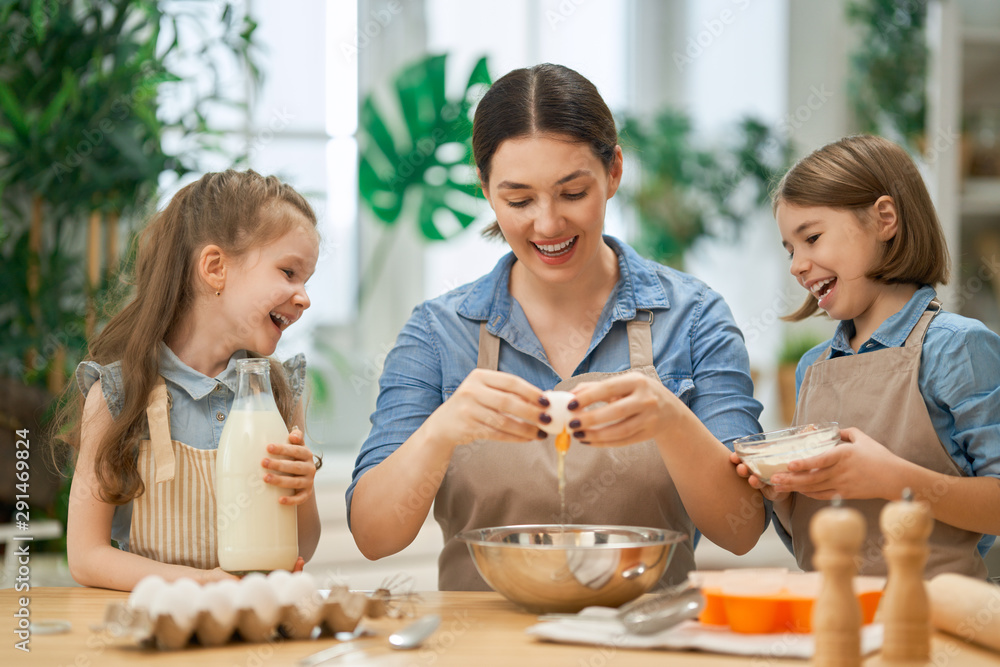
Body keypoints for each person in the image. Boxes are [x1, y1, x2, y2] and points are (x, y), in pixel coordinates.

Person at [348, 63, 768, 591]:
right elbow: (373, 535)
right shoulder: (439, 332)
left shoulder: (694, 318)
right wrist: (442, 428)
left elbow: (744, 527)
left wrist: (669, 419)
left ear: (613, 171)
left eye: (572, 193)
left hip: (648, 642)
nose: (547, 224)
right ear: (485, 189)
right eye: (519, 200)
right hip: (482, 647)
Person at [733, 134, 1000, 578]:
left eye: (812, 237)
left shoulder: (957, 347)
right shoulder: (812, 369)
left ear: (885, 219)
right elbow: (811, 538)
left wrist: (893, 479)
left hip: (933, 623)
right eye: (790, 250)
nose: (797, 264)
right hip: (827, 617)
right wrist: (782, 493)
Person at [60, 170, 323, 591]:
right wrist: (202, 582)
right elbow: (87, 557)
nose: (304, 297)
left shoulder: (274, 394)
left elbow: (302, 546)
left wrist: (302, 490)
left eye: (306, 280)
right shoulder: (119, 394)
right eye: (289, 272)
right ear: (215, 267)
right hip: (161, 630)